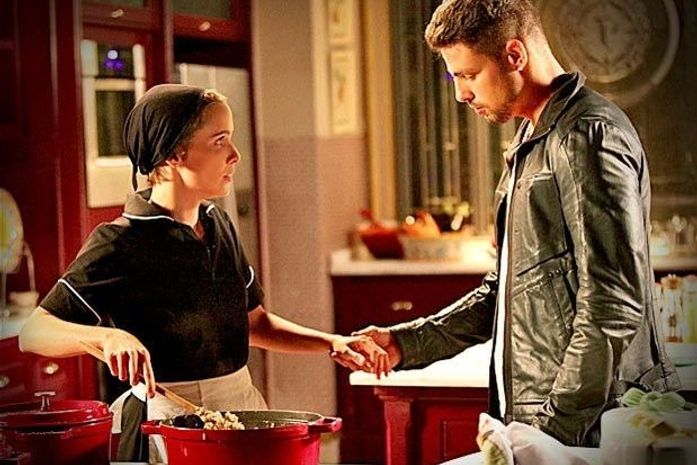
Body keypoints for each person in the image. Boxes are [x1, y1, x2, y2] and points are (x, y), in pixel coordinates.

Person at [336, 0, 680, 447]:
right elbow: (502, 292)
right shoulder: (531, 141)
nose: (460, 94)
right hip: (556, 428)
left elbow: (613, 303)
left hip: (596, 429)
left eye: (468, 75)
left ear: (515, 55)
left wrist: (551, 435)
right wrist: (406, 344)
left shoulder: (587, 135)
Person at [19, 84, 387, 461]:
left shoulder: (218, 224)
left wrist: (332, 343)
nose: (235, 155)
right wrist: (109, 337)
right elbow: (35, 333)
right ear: (173, 153)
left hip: (241, 409)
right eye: (219, 141)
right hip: (166, 423)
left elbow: (254, 323)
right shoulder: (120, 241)